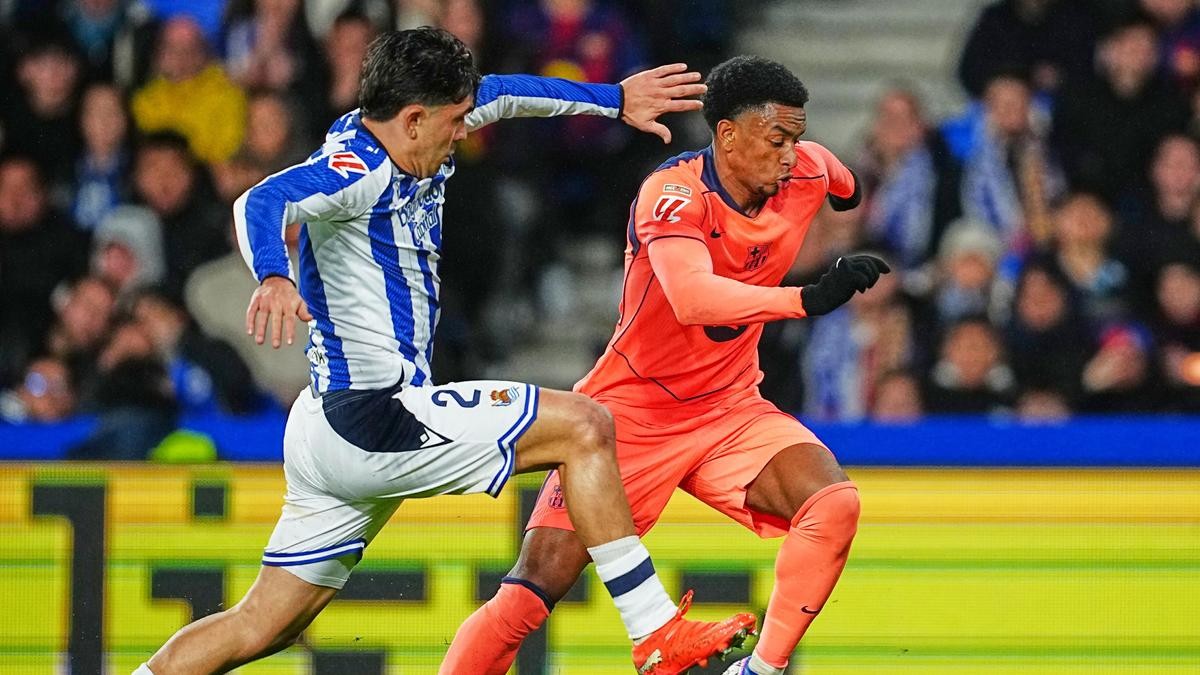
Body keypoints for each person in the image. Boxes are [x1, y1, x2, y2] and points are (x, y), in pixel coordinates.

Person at [134, 27, 754, 675]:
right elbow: (260, 200)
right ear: (412, 119)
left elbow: (504, 94)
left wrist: (614, 100)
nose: (464, 132)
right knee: (586, 425)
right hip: (374, 417)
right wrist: (272, 275)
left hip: (326, 426)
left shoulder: (412, 122)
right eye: (455, 122)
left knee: (262, 625)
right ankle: (653, 629)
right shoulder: (360, 171)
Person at [442, 55, 890, 675]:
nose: (791, 155)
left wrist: (849, 193)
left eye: (797, 138)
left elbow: (845, 184)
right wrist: (807, 298)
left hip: (730, 407)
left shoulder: (807, 166)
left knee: (834, 505)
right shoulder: (673, 194)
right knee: (531, 590)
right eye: (777, 140)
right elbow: (692, 298)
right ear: (727, 134)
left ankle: (758, 670)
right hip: (629, 413)